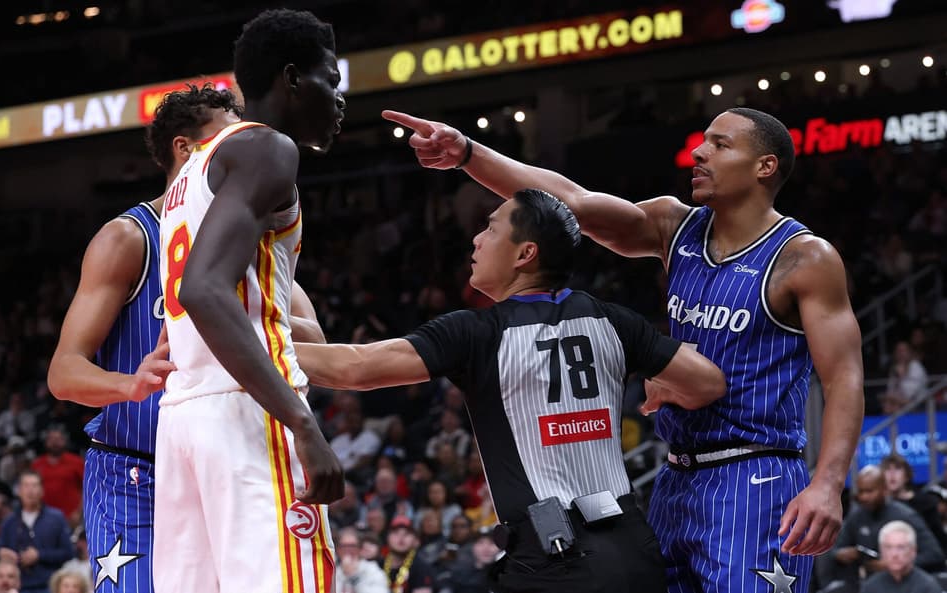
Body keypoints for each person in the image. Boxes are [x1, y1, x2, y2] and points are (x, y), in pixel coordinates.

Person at [382, 106, 865, 593]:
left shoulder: (805, 257)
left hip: (755, 474)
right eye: (703, 141)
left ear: (765, 166)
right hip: (676, 476)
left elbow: (843, 377)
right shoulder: (674, 226)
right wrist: (467, 153)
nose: (699, 152)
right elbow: (572, 202)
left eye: (720, 144)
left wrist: (828, 483)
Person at [295, 189, 726, 593]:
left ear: (525, 254)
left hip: (553, 560)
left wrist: (260, 349)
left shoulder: (477, 332)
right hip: (634, 550)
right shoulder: (614, 320)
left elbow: (354, 368)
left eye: (491, 228)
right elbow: (707, 383)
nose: (476, 240)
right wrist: (659, 384)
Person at [152, 9, 346, 593]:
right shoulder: (266, 147)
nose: (339, 99)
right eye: (330, 81)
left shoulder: (192, 169)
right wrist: (302, 423)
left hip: (184, 415)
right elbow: (203, 288)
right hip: (248, 409)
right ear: (292, 79)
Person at [46, 85, 245, 593]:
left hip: (218, 470)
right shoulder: (128, 238)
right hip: (134, 475)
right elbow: (63, 373)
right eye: (226, 138)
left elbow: (307, 332)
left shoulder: (245, 238)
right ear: (185, 148)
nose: (240, 149)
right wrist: (128, 385)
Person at [828, 466, 944, 591]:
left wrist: (896, 563)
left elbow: (935, 554)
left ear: (884, 490)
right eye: (861, 491)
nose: (864, 497)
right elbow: (835, 549)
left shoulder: (905, 515)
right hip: (868, 583)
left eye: (869, 491)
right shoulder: (856, 516)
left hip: (908, 584)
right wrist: (842, 554)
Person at [0, 471, 74, 593]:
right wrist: (2, 552)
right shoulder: (9, 521)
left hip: (49, 586)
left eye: (34, 485)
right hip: (18, 587)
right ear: (19, 491)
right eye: (26, 486)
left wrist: (40, 555)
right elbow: (0, 548)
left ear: (42, 491)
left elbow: (69, 552)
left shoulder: (56, 518)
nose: (30, 490)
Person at [881, 454, 947, 552]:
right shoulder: (880, 506)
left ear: (907, 476)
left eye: (897, 469)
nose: (892, 474)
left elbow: (939, 540)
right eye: (887, 469)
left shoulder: (926, 503)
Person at [861, 520, 943, 593]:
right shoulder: (870, 587)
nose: (894, 554)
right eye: (888, 547)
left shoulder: (927, 587)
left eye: (901, 547)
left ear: (913, 551)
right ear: (881, 551)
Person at [29, 428, 82, 525]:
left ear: (65, 441)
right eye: (51, 439)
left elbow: (88, 489)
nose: (55, 443)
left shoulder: (76, 462)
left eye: (58, 439)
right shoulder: (37, 464)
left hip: (71, 518)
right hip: (43, 518)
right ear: (46, 442)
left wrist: (79, 512)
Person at [382, 516, 435, 593]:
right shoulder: (378, 564)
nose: (401, 538)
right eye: (396, 532)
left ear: (415, 540)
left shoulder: (422, 568)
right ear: (387, 537)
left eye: (406, 533)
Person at [333, 527, 390, 593]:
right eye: (344, 546)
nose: (348, 549)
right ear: (337, 549)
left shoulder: (372, 570)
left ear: (360, 548)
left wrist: (353, 577)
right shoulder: (332, 571)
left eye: (352, 545)